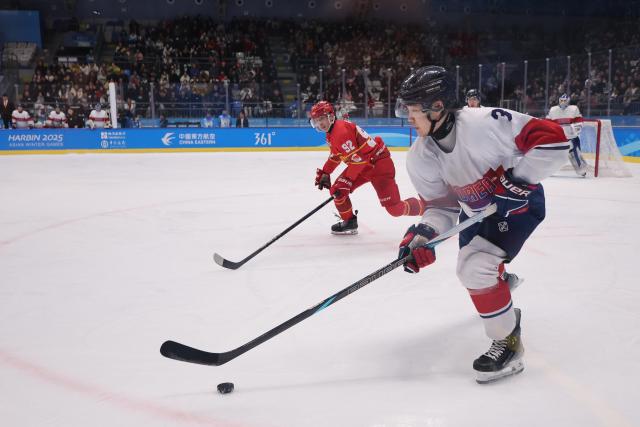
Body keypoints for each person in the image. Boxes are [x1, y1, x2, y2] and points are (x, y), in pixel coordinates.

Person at [394, 66, 569, 383]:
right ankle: (501, 283)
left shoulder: (483, 123)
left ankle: (509, 342)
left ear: (438, 107)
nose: (407, 116)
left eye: (412, 108)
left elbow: (553, 141)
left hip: (518, 208)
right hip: (474, 215)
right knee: (477, 269)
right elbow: (441, 207)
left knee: (473, 268)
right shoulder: (420, 157)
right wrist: (422, 238)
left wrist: (517, 183)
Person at [310, 100, 424, 235]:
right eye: (316, 120)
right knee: (337, 190)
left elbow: (359, 161)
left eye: (321, 119)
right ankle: (349, 222)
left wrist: (347, 181)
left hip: (378, 165)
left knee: (395, 209)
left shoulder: (340, 132)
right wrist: (326, 172)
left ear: (330, 116)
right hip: (363, 165)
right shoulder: (331, 133)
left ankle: (427, 207)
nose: (319, 124)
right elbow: (336, 155)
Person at [546, 93, 588, 177]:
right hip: (558, 138)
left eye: (565, 101)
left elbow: (579, 121)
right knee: (553, 154)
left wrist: (575, 130)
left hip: (571, 137)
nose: (563, 102)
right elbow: (548, 123)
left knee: (574, 153)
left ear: (568, 101)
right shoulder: (553, 110)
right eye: (561, 100)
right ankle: (549, 170)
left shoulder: (574, 109)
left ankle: (581, 169)